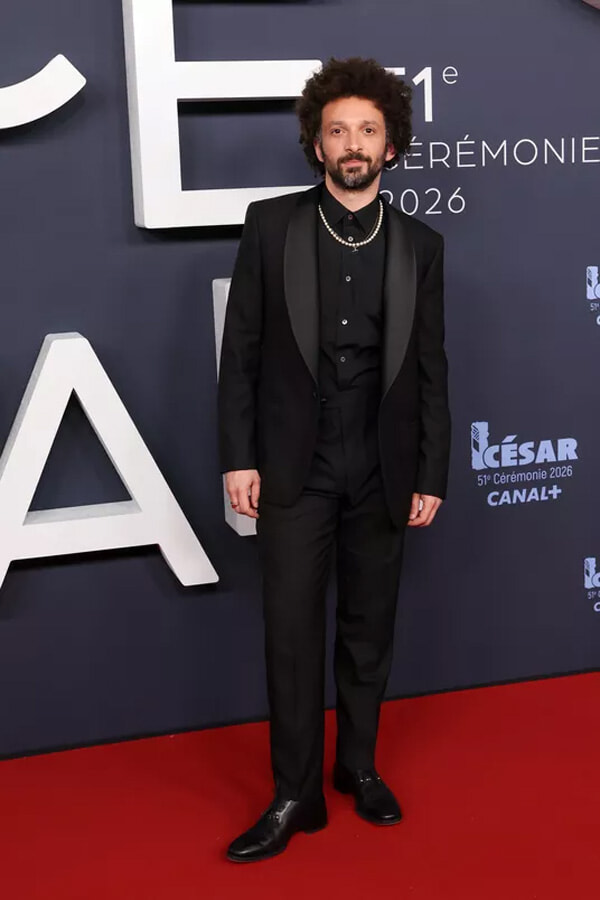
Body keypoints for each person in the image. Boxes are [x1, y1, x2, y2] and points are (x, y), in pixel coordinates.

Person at [218, 56, 451, 863]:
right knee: (290, 633)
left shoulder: (422, 245)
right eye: (338, 130)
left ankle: (358, 767)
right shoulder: (270, 226)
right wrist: (238, 458)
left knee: (367, 628)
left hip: (383, 466)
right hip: (294, 465)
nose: (353, 143)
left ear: (392, 146)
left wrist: (431, 471)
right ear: (317, 145)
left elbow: (431, 368)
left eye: (368, 130)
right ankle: (295, 794)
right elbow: (240, 354)